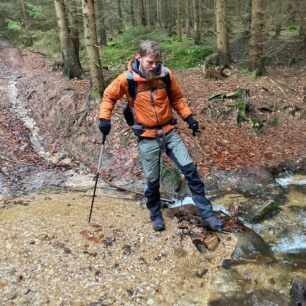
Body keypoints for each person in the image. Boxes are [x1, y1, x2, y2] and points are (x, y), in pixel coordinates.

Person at [98, 40, 224, 232]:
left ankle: (207, 214)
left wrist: (189, 118)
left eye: (157, 61)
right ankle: (156, 214)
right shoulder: (127, 79)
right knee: (153, 181)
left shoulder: (166, 75)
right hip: (147, 136)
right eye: (150, 62)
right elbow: (109, 96)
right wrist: (104, 119)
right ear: (139, 58)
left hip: (169, 132)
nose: (154, 66)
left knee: (191, 171)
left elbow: (177, 99)